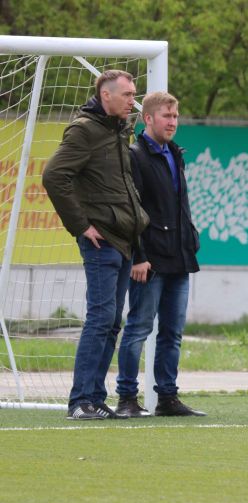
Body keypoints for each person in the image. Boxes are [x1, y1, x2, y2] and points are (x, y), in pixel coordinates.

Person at [42, 70, 148, 420]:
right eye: (127, 95)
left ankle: (96, 399)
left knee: (112, 321)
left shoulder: (118, 130)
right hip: (101, 239)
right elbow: (54, 176)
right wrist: (81, 225)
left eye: (134, 94)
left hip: (122, 239)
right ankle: (80, 401)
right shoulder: (84, 129)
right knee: (101, 317)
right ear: (106, 95)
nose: (133, 101)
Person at [114, 91, 205, 418]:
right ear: (148, 118)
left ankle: (167, 397)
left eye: (175, 116)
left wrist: (190, 240)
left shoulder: (175, 153)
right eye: (167, 116)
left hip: (179, 258)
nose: (172, 122)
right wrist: (138, 256)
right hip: (149, 260)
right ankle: (126, 398)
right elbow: (132, 210)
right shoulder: (135, 155)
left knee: (172, 333)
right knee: (138, 328)